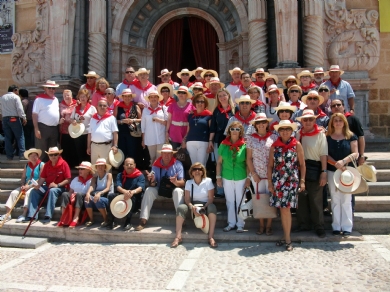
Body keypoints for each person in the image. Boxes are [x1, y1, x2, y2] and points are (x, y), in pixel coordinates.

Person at [268, 120, 305, 251]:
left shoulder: (297, 145)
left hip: (291, 181)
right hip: (278, 181)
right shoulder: (274, 146)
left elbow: (302, 165)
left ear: (291, 131)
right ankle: (285, 236)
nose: (285, 132)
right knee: (283, 209)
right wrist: (270, 183)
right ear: (279, 131)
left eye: (287, 129)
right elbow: (270, 166)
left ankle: (288, 239)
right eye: (282, 129)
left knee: (286, 209)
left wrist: (302, 181)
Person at [136, 144, 185, 231]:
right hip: (160, 190)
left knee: (178, 191)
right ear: (161, 154)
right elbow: (153, 184)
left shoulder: (178, 164)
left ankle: (181, 221)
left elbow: (182, 182)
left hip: (172, 190)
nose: (166, 155)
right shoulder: (156, 164)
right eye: (164, 153)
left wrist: (176, 182)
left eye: (169, 153)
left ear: (172, 154)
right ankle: (143, 220)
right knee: (148, 190)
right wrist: (151, 180)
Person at [295, 109, 328, 238]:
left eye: (310, 119)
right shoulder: (298, 134)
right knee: (301, 198)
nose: (308, 122)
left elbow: (323, 154)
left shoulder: (320, 134)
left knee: (316, 199)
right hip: (300, 168)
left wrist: (324, 172)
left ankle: (319, 226)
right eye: (305, 119)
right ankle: (303, 224)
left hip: (315, 166)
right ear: (302, 121)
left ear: (315, 120)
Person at [326, 113, 358, 237]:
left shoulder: (350, 136)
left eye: (340, 120)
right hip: (332, 170)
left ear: (344, 122)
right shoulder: (327, 137)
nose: (338, 122)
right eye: (336, 120)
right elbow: (324, 154)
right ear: (332, 123)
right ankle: (336, 226)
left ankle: (347, 227)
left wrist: (343, 162)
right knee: (335, 198)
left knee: (346, 199)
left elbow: (355, 153)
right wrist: (335, 163)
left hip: (347, 172)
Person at [173, 163, 218, 248]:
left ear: (202, 172)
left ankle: (211, 237)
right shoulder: (189, 183)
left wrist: (204, 207)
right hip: (193, 205)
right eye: (194, 169)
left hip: (205, 204)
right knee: (181, 208)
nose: (197, 171)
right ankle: (178, 237)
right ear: (192, 172)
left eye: (199, 169)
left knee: (212, 207)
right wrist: (192, 207)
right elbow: (187, 199)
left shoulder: (208, 181)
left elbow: (211, 199)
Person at [246, 113, 278, 235]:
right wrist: (253, 173)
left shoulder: (274, 137)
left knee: (270, 199)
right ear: (255, 125)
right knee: (259, 199)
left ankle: (269, 225)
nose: (261, 125)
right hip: (257, 175)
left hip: (271, 174)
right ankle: (261, 225)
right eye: (258, 123)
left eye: (263, 122)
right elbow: (249, 158)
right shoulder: (250, 138)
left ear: (267, 124)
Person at [217, 121, 250, 233]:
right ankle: (231, 223)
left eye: (237, 129)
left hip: (241, 177)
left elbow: (248, 163)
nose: (235, 131)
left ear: (240, 132)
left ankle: (240, 224)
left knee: (241, 201)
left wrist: (248, 178)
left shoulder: (245, 146)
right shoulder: (223, 144)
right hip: (227, 176)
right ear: (229, 131)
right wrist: (218, 177)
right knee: (230, 201)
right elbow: (219, 162)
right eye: (232, 129)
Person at [25, 147, 71, 224]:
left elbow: (68, 179)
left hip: (61, 188)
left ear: (58, 155)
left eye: (55, 154)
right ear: (48, 156)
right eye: (51, 155)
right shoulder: (47, 165)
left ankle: (48, 215)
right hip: (48, 187)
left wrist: (57, 185)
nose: (53, 156)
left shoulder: (64, 164)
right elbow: (42, 178)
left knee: (52, 191)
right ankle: (32, 215)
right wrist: (38, 185)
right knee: (34, 191)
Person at [0, 148, 44, 223]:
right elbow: (23, 177)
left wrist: (29, 186)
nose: (33, 158)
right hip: (26, 184)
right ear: (29, 158)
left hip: (36, 185)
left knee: (28, 193)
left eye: (35, 156)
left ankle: (24, 214)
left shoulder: (41, 165)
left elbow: (41, 178)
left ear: (38, 156)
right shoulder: (27, 165)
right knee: (13, 193)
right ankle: (8, 213)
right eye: (31, 156)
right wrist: (22, 184)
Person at [107, 157, 145, 230]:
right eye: (127, 164)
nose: (129, 166)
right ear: (124, 166)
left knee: (132, 197)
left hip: (135, 198)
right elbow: (118, 187)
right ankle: (111, 221)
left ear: (134, 165)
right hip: (122, 197)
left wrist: (132, 192)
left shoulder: (140, 175)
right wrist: (126, 192)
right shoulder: (120, 175)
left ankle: (128, 222)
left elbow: (140, 188)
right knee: (111, 196)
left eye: (131, 164)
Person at [330, 99, 365, 165]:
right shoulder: (330, 121)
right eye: (333, 106)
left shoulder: (353, 119)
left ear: (343, 107)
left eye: (338, 105)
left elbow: (361, 137)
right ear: (331, 109)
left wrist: (361, 155)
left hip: (350, 159)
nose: (336, 107)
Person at [59, 162, 94, 228]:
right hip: (74, 199)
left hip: (84, 200)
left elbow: (90, 193)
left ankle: (76, 218)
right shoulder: (75, 179)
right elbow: (70, 191)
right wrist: (72, 196)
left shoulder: (92, 180)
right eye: (79, 169)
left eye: (82, 169)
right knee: (65, 194)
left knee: (79, 194)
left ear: (88, 171)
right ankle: (64, 218)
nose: (80, 170)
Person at [32, 80, 60, 162]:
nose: (51, 90)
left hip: (54, 128)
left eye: (53, 88)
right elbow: (34, 114)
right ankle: (40, 170)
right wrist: (36, 129)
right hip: (43, 127)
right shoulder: (39, 99)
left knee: (52, 151)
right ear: (45, 88)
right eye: (49, 88)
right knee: (41, 151)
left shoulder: (56, 99)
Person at [114, 88, 141, 170]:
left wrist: (132, 120)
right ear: (122, 97)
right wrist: (123, 121)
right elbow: (114, 120)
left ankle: (132, 170)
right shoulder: (118, 107)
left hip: (133, 134)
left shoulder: (135, 106)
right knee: (122, 152)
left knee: (132, 152)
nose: (127, 98)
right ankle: (122, 171)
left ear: (131, 97)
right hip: (121, 133)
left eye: (129, 96)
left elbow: (141, 119)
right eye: (125, 96)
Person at [87, 98, 119, 166]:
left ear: (107, 107)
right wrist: (88, 147)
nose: (102, 107)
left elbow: (115, 133)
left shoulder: (111, 118)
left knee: (106, 167)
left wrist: (115, 146)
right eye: (100, 105)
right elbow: (89, 133)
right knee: (94, 167)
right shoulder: (93, 118)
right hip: (94, 146)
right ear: (97, 107)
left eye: (104, 105)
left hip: (106, 146)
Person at [183, 94, 212, 167]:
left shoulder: (209, 115)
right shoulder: (191, 115)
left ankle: (202, 178)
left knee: (201, 165)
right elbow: (188, 130)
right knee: (193, 165)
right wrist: (184, 140)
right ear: (195, 103)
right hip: (190, 142)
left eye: (202, 102)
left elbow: (211, 130)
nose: (200, 103)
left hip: (203, 142)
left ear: (205, 103)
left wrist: (210, 142)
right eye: (197, 101)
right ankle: (194, 178)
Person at [84, 158, 113, 227]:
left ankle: (106, 219)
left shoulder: (109, 175)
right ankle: (91, 219)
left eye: (102, 165)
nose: (100, 167)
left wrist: (99, 193)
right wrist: (88, 193)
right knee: (87, 199)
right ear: (96, 167)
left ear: (105, 167)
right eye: (98, 166)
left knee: (98, 199)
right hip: (96, 196)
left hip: (106, 197)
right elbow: (91, 186)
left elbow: (108, 188)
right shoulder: (95, 178)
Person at [70, 89, 97, 165]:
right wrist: (73, 121)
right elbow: (71, 118)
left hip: (88, 134)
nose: (82, 98)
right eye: (81, 97)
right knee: (79, 153)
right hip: (78, 133)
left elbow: (96, 120)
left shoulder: (92, 108)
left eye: (84, 96)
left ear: (87, 97)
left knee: (88, 153)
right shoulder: (76, 108)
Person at [0, 84, 26, 160]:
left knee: (7, 137)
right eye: (17, 90)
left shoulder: (2, 97)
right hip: (14, 118)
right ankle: (22, 154)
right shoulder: (15, 97)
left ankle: (9, 155)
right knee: (20, 136)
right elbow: (19, 109)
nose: (18, 92)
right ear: (14, 90)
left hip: (5, 118)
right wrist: (23, 117)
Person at [141, 90, 167, 165]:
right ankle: (153, 174)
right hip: (150, 138)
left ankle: (161, 173)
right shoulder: (145, 110)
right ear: (149, 99)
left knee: (160, 157)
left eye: (155, 97)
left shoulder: (163, 108)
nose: (153, 99)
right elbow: (143, 126)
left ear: (158, 98)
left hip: (161, 137)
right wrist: (143, 140)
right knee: (152, 158)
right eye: (151, 97)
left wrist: (158, 120)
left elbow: (167, 123)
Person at [59, 90, 78, 167]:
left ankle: (75, 165)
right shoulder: (60, 105)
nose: (67, 97)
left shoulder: (77, 104)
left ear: (72, 96)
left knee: (74, 148)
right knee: (65, 148)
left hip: (75, 130)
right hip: (64, 130)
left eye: (68, 95)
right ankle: (66, 166)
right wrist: (59, 121)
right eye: (65, 95)